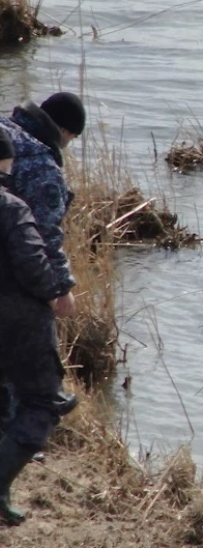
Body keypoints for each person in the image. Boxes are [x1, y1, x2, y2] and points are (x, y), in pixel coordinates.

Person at [0, 92, 84, 464]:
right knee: (28, 368)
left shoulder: (5, 129)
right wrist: (61, 288)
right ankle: (13, 445)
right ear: (64, 131)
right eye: (71, 138)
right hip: (13, 279)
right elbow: (45, 236)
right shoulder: (43, 167)